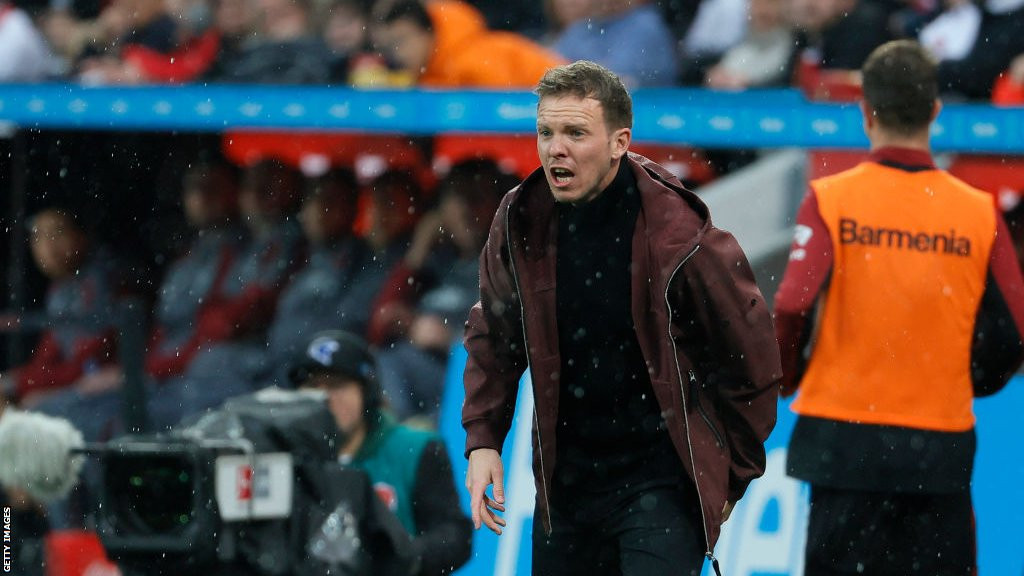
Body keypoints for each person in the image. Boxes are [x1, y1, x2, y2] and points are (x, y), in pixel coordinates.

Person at [462, 60, 781, 575]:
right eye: (545, 131)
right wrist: (482, 441)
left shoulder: (681, 238)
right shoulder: (522, 219)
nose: (554, 148)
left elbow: (752, 359)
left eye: (575, 133)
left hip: (660, 485)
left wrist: (732, 475)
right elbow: (495, 338)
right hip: (565, 491)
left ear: (619, 142)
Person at [773, 40, 1024, 576]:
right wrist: (972, 378)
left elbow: (792, 302)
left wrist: (787, 374)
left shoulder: (832, 199)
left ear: (866, 112)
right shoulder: (977, 211)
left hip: (844, 441)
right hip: (938, 445)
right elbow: (1016, 329)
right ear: (935, 112)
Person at [290, 330, 473, 576]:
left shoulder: (415, 449)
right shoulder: (285, 458)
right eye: (312, 386)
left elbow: (455, 537)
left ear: (367, 393)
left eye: (337, 385)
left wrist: (399, 559)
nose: (325, 398)